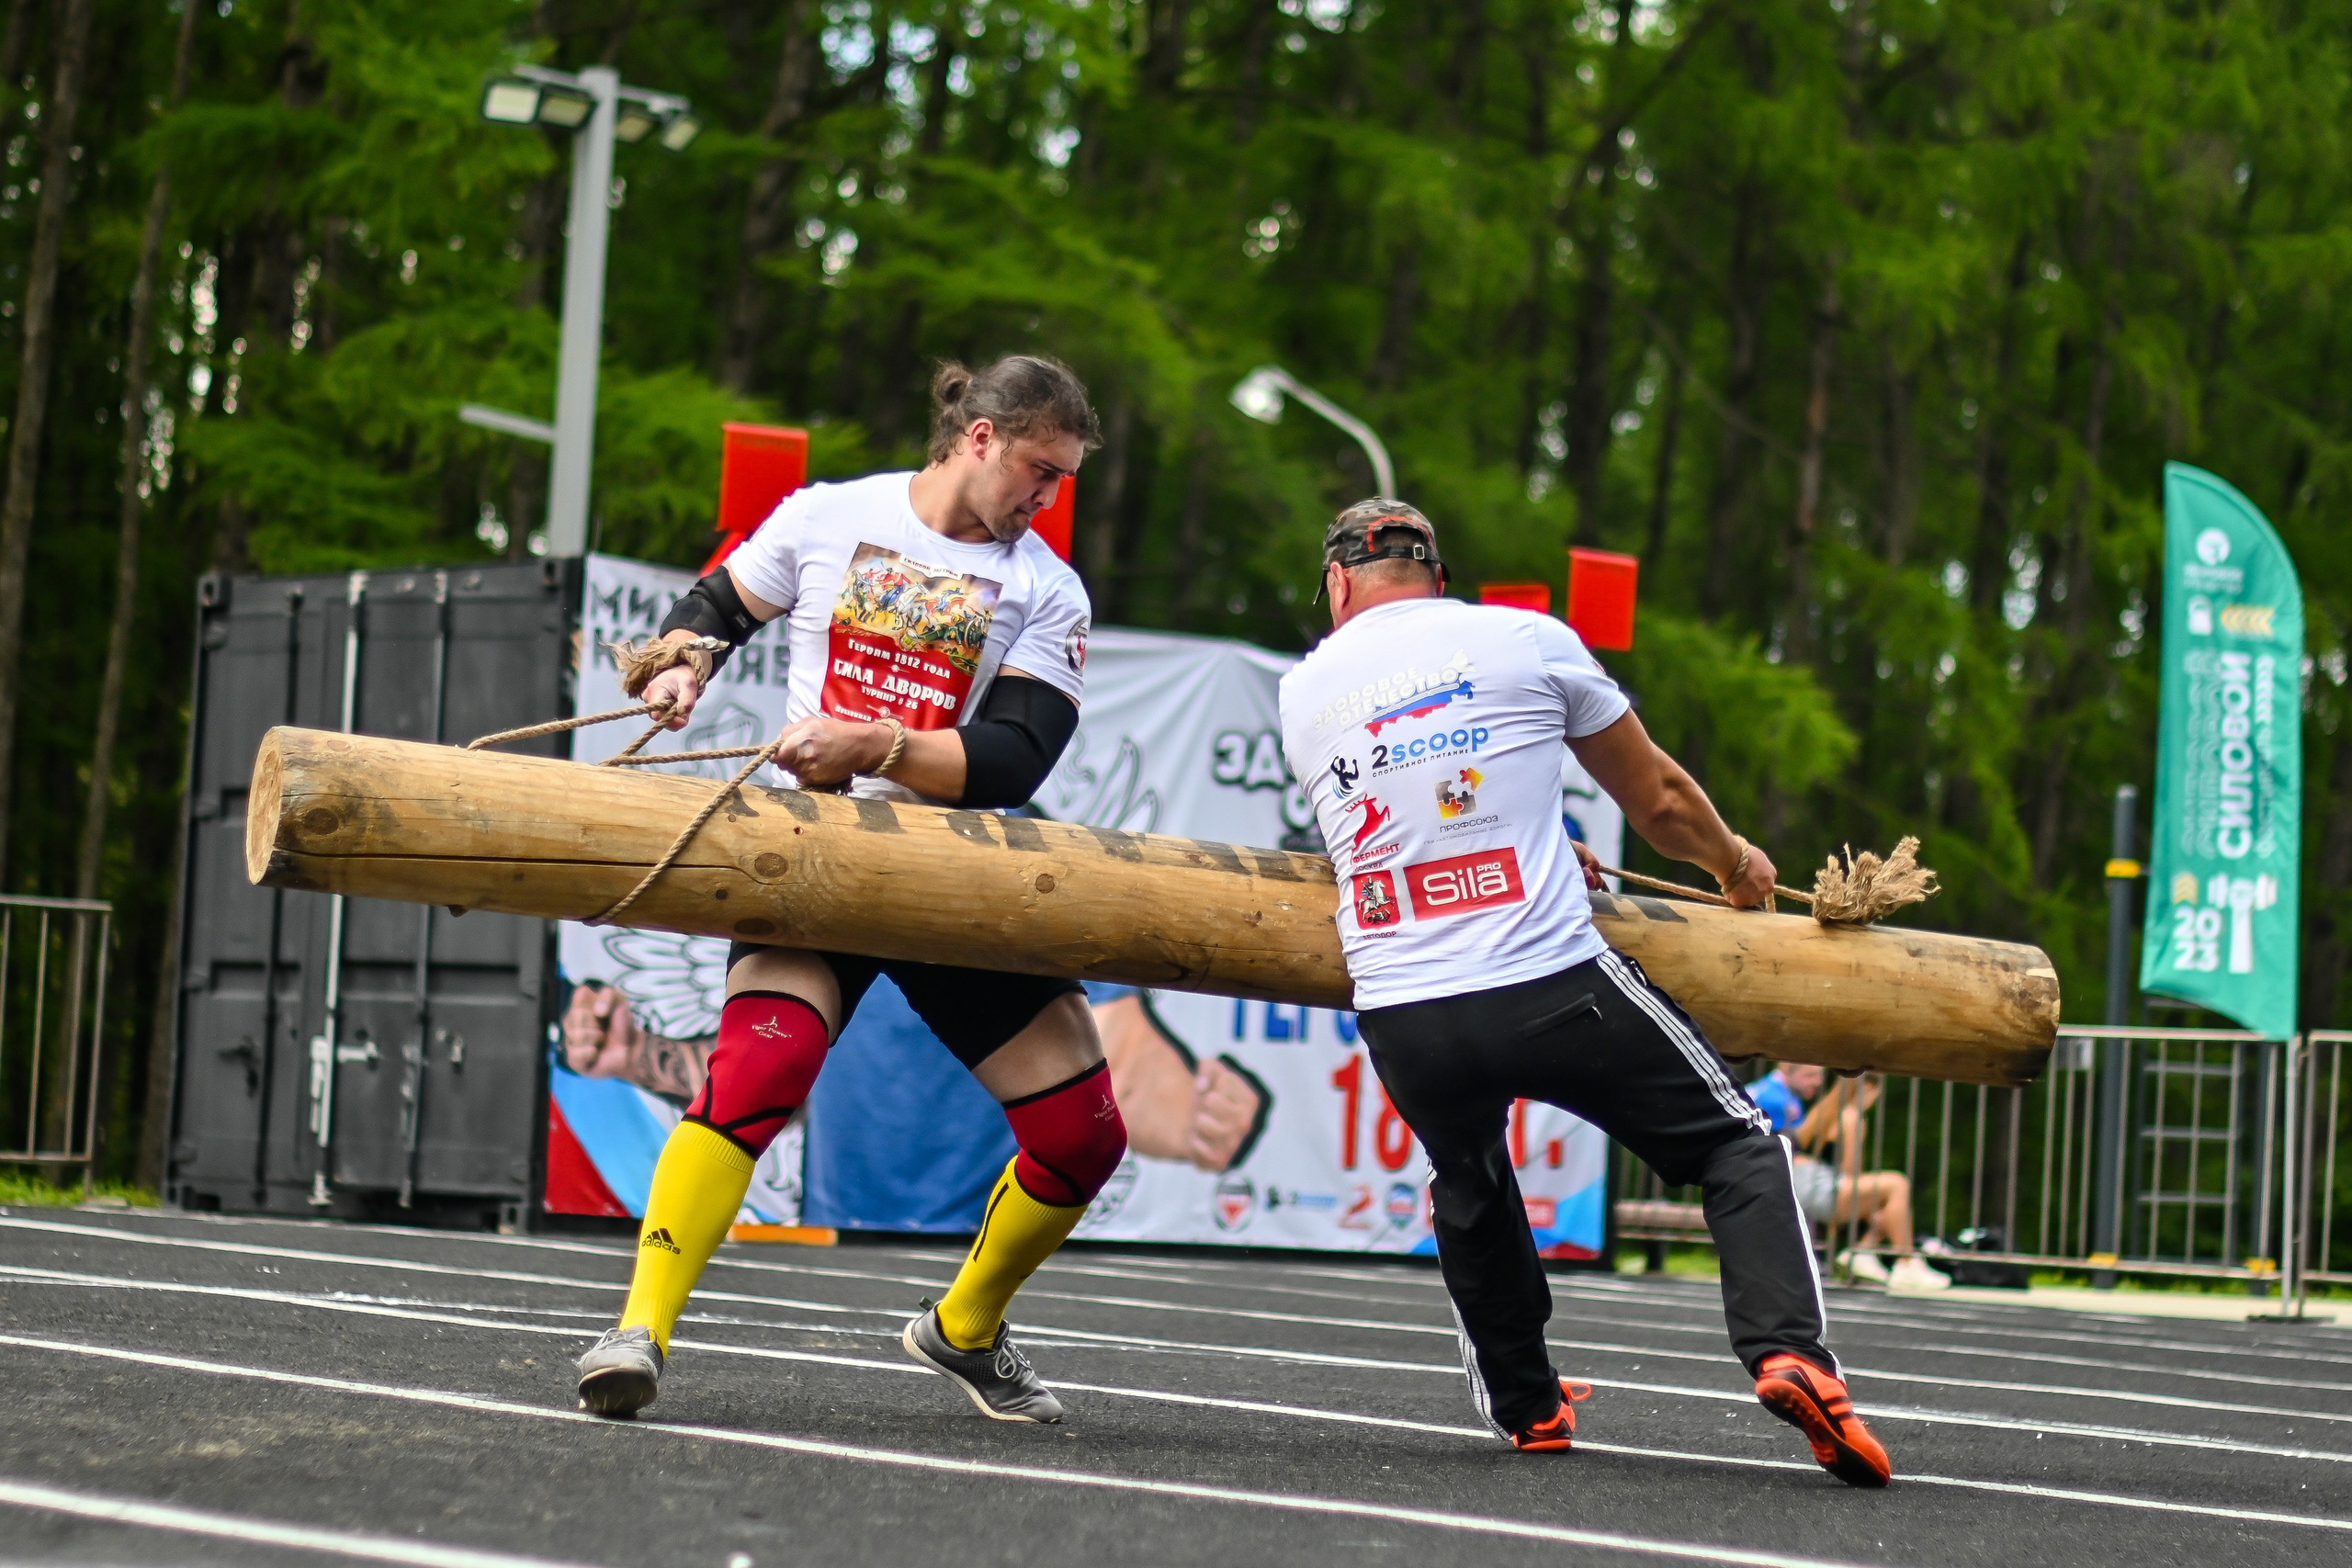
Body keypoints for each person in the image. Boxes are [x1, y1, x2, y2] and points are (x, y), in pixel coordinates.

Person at [1279, 499, 1894, 1487]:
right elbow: (1655, 802)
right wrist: (1735, 865)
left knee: (1469, 1181)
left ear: (1340, 584)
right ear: (1436, 574)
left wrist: (1526, 837)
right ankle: (1790, 1356)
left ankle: (1528, 1410)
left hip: (1403, 1008)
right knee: (1737, 1144)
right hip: (1546, 981)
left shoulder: (1302, 689)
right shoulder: (1523, 638)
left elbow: (1400, 810)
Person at [573, 355, 1127, 1427]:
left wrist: (875, 741)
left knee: (1083, 1135)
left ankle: (963, 1330)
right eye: (1037, 471)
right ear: (978, 438)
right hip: (812, 858)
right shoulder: (831, 516)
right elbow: (717, 605)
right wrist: (682, 666)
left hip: (948, 872)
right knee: (757, 1072)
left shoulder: (1047, 589)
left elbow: (1013, 760)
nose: (1046, 500)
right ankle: (635, 1330)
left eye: (1061, 481)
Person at [1748, 1063, 1948, 1292]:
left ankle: (1865, 1251)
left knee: (1888, 1212)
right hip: (1800, 1182)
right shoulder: (1843, 1115)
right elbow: (1842, 1168)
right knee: (1896, 1185)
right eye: (1810, 1075)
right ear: (1870, 1089)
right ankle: (1904, 1262)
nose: (1818, 1082)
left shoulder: (1782, 1097)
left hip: (1800, 1178)